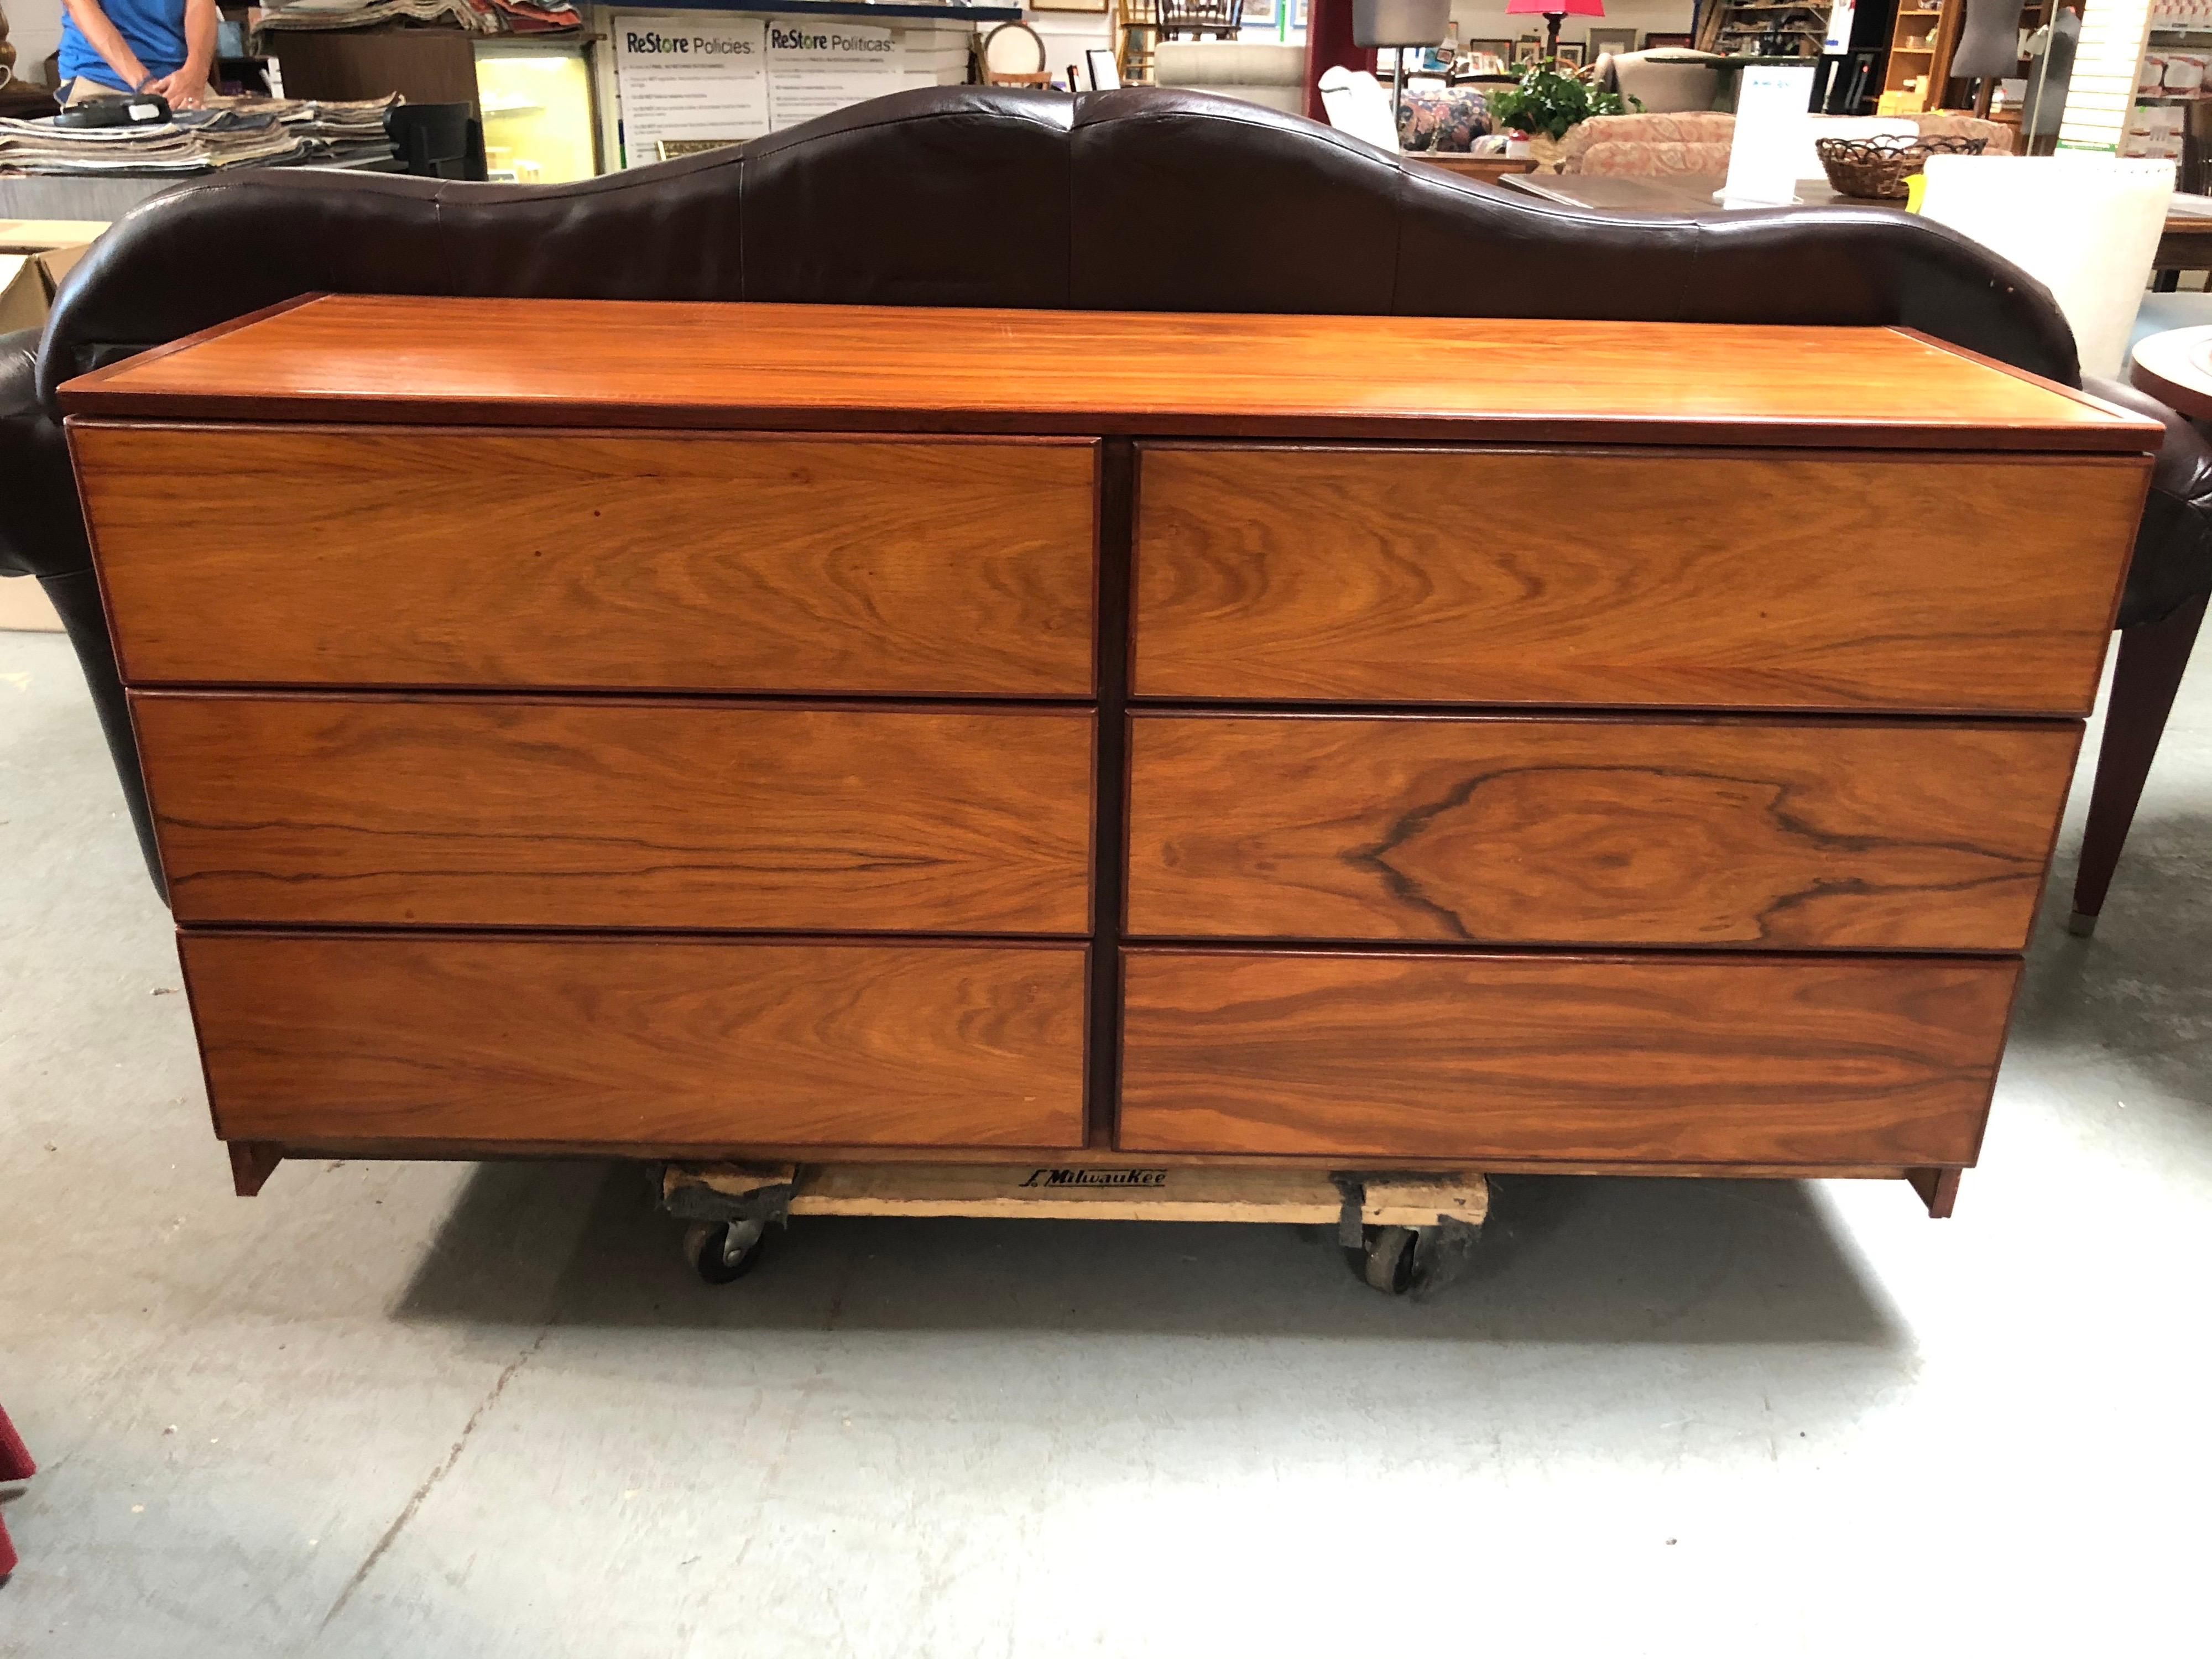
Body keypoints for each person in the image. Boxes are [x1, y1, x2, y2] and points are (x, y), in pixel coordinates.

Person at [56, 0, 217, 109]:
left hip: (182, 84)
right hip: (100, 80)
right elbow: (80, 6)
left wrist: (196, 73)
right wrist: (145, 84)